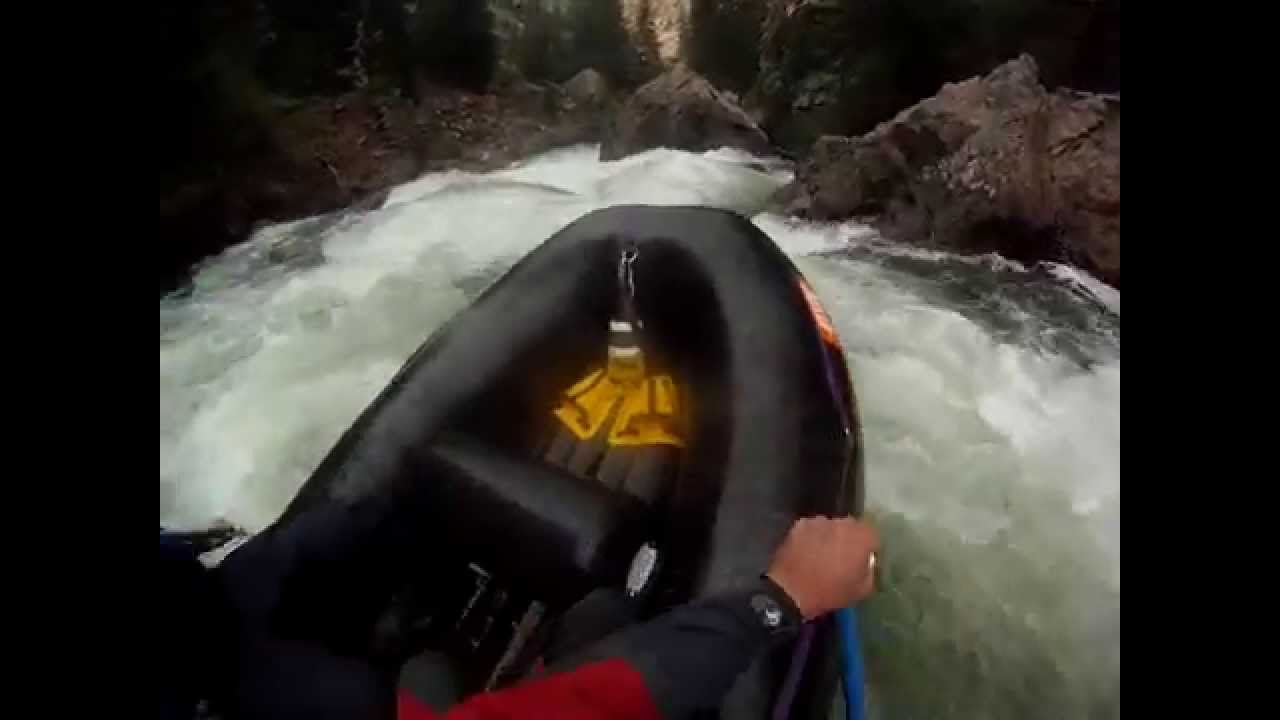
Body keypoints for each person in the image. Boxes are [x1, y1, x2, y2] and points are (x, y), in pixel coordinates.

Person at [161, 505, 878, 720]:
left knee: (352, 528)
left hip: (197, 616)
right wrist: (778, 602)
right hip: (206, 681)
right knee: (597, 620)